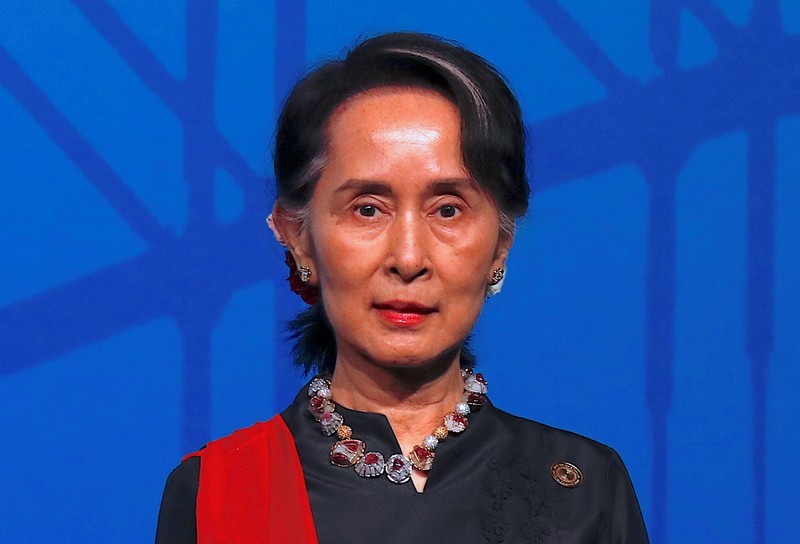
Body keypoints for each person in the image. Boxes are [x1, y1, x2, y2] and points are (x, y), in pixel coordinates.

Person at [155, 32, 649, 543]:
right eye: (368, 209)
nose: (409, 259)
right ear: (297, 236)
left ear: (501, 244)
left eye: (449, 209)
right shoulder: (218, 493)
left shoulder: (582, 487)